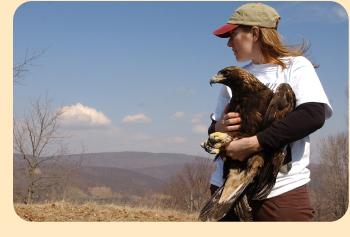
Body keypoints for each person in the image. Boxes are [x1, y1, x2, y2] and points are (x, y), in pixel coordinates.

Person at [207, 2, 333, 221]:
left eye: (233, 35)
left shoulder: (295, 66)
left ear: (254, 33)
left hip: (277, 192)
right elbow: (213, 130)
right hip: (225, 187)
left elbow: (313, 115)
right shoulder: (234, 78)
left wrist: (253, 143)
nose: (228, 43)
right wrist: (218, 128)